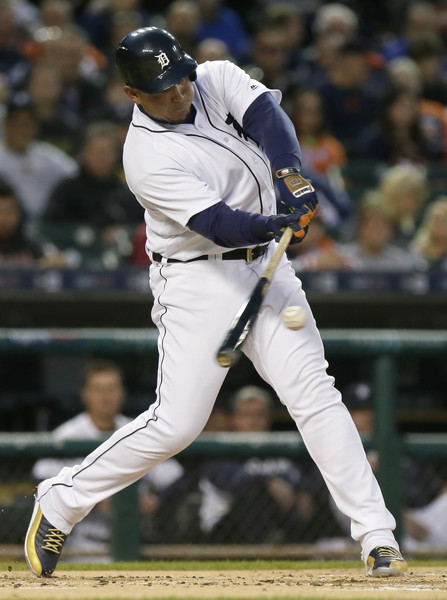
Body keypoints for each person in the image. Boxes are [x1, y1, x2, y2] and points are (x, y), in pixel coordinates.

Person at [25, 26, 408, 579]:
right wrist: (280, 220)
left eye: (179, 78)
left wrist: (289, 174)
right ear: (133, 95)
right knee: (177, 424)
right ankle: (61, 499)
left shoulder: (213, 76)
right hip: (196, 279)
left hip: (266, 268)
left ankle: (376, 535)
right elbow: (217, 224)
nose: (178, 93)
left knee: (314, 394)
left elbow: (268, 119)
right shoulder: (144, 155)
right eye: (161, 89)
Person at [31, 358, 183, 559]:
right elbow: (39, 476)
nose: (105, 397)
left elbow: (175, 476)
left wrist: (155, 499)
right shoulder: (68, 436)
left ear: (122, 393)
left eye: (111, 388)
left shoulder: (137, 431)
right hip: (84, 545)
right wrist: (90, 501)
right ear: (85, 394)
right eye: (98, 389)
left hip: (136, 543)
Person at [196, 385, 328, 544]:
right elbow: (230, 483)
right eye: (245, 415)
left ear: (269, 418)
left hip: (283, 521)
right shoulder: (222, 449)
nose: (253, 421)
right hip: (226, 530)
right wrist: (268, 482)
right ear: (233, 419)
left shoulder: (282, 448)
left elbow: (308, 474)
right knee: (257, 495)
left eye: (259, 415)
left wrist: (304, 491)